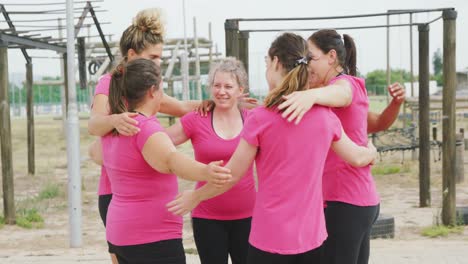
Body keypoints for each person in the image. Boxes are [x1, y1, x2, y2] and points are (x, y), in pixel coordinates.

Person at [167, 32, 377, 264]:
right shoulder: (326, 118)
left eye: (267, 62)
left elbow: (231, 175)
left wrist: (196, 196)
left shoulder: (260, 119)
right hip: (312, 240)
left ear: (276, 62)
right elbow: (357, 158)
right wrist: (372, 150)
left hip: (269, 240)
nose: (267, 68)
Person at [86, 8, 211, 263]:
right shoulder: (109, 84)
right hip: (115, 189)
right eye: (153, 57)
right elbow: (94, 125)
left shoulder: (147, 89)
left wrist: (220, 101)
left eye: (160, 58)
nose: (158, 63)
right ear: (132, 55)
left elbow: (182, 107)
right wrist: (115, 120)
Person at [277, 29, 405, 264]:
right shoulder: (325, 95)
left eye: (311, 58)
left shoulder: (345, 84)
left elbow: (341, 94)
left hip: (345, 201)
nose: (307, 65)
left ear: (331, 57)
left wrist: (310, 96)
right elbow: (376, 123)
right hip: (354, 201)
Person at [90, 58, 232, 264]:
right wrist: (206, 172)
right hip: (151, 238)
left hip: (120, 232)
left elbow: (94, 153)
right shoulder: (144, 127)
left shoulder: (116, 126)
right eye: (162, 90)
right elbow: (171, 160)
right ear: (151, 91)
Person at [164, 57, 255, 264]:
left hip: (248, 216)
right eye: (217, 85)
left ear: (240, 90)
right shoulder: (197, 118)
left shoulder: (252, 120)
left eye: (228, 86)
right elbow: (160, 142)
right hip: (207, 217)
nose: (221, 91)